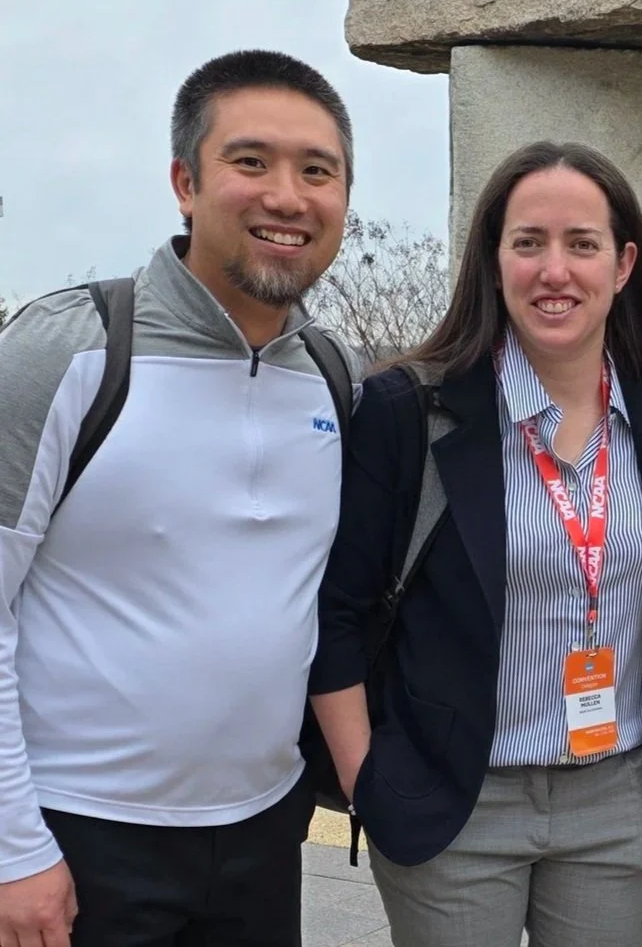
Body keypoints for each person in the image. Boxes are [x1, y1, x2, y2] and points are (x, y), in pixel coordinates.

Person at [0, 50, 358, 947]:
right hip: (76, 837)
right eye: (251, 162)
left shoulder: (334, 376)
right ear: (184, 182)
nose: (288, 195)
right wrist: (13, 851)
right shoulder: (68, 352)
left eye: (318, 171)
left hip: (267, 831)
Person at [310, 141, 642, 947]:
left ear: (623, 265)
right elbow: (335, 612)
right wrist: (366, 780)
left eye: (582, 244)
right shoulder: (407, 412)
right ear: (493, 260)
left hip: (618, 805)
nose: (555, 270)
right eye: (529, 243)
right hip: (455, 804)